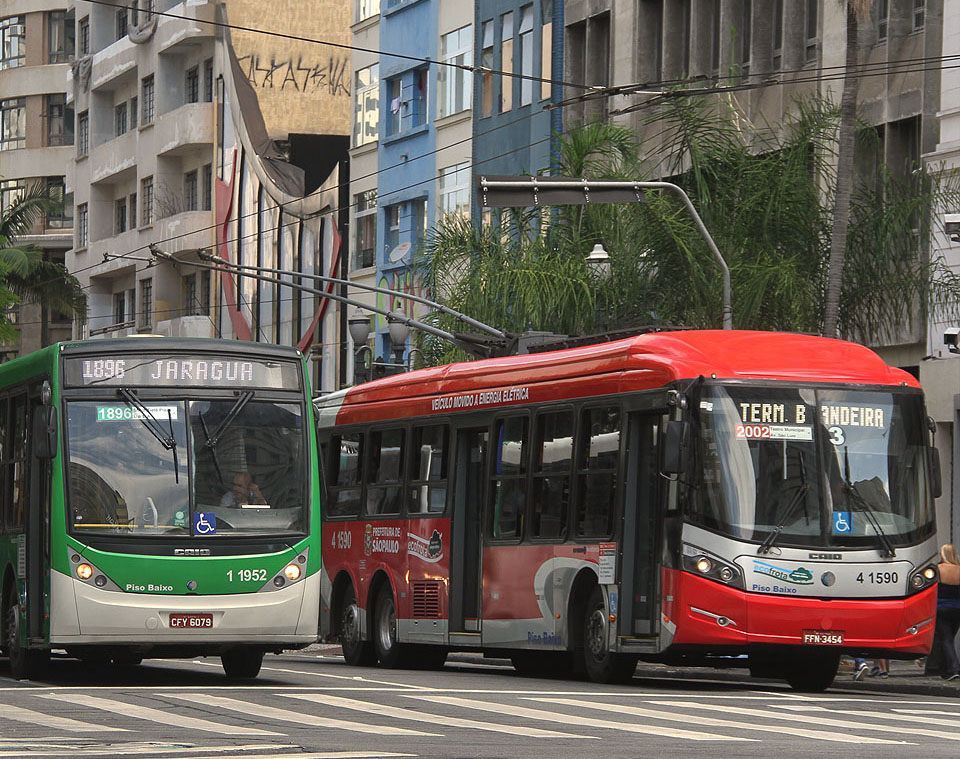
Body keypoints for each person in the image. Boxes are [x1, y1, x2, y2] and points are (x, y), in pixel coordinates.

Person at [935, 543, 960, 681]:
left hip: (941, 607)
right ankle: (944, 669)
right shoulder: (959, 569)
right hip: (957, 608)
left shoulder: (939, 568)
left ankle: (953, 668)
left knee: (946, 639)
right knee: (949, 638)